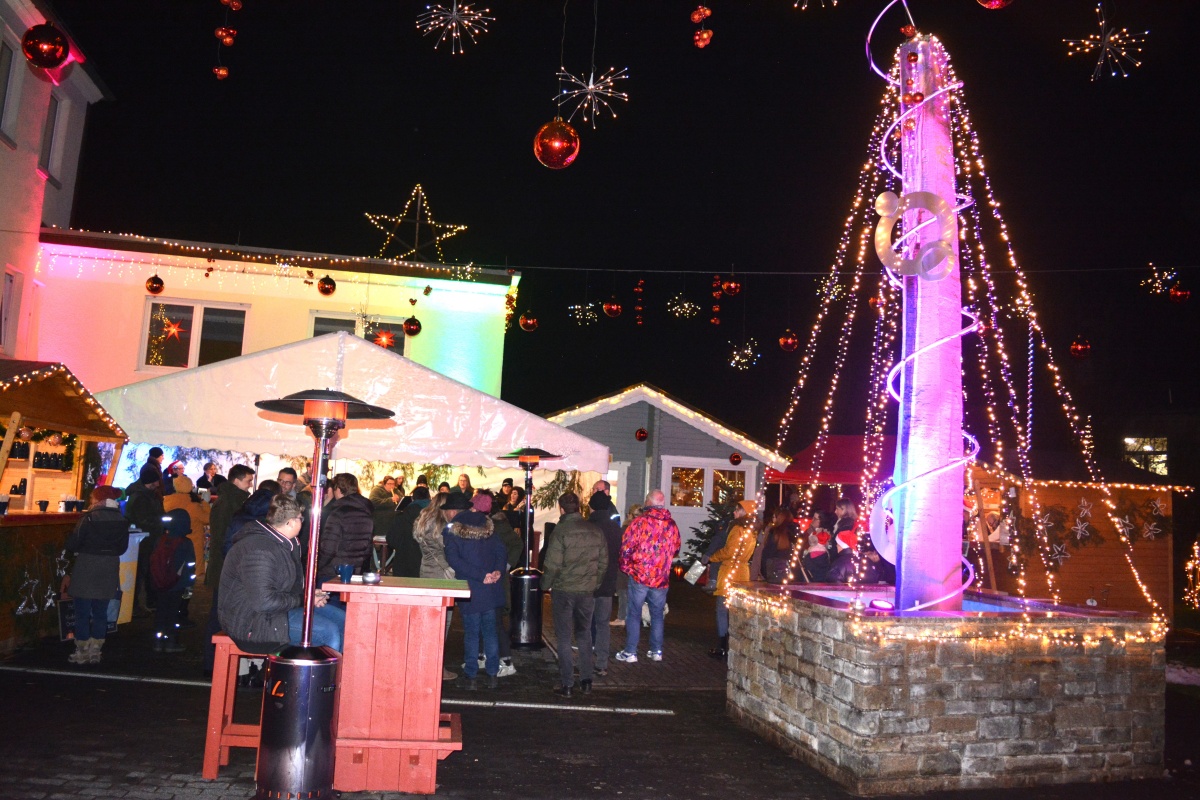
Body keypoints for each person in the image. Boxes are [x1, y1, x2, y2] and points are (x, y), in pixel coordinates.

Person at [219, 493, 346, 654]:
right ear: (290, 522)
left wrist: (309, 596)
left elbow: (286, 588)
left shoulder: (287, 543)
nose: (303, 523)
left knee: (342, 621)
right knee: (328, 632)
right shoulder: (259, 550)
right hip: (252, 621)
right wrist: (305, 599)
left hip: (277, 611)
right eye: (301, 518)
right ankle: (314, 678)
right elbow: (264, 602)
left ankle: (341, 676)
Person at [542, 492, 607, 697]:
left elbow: (552, 564)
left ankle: (567, 684)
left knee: (563, 637)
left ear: (561, 508)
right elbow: (603, 562)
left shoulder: (561, 531)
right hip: (586, 591)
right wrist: (594, 583)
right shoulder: (595, 531)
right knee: (584, 635)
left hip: (564, 590)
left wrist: (544, 584)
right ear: (579, 507)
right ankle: (586, 681)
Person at [442, 491, 507, 690]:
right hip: (490, 588)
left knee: (471, 632)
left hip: (471, 587)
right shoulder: (489, 526)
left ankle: (470, 674)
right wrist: (496, 572)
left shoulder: (453, 529)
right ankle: (493, 673)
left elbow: (454, 560)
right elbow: (501, 552)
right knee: (490, 631)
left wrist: (480, 575)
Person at [64, 486, 129, 665]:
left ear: (97, 499)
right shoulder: (122, 520)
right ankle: (96, 650)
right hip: (108, 568)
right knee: (101, 612)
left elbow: (73, 543)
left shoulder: (89, 517)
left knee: (82, 612)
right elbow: (123, 548)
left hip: (87, 566)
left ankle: (82, 650)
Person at [614, 490, 680, 664]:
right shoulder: (671, 525)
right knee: (657, 614)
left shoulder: (639, 523)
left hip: (640, 576)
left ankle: (630, 652)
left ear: (649, 502)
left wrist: (626, 567)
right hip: (661, 578)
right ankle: (656, 650)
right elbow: (677, 548)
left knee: (634, 613)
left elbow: (626, 548)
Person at [203, 463, 255, 673]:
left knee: (220, 614)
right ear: (236, 480)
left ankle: (215, 662)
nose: (250, 486)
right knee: (218, 616)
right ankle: (212, 662)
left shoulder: (231, 501)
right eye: (248, 481)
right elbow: (224, 539)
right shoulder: (230, 503)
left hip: (223, 567)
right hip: (225, 568)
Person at [704, 500, 757, 659]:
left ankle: (723, 647)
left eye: (737, 510)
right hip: (742, 572)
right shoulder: (752, 531)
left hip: (730, 571)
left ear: (743, 513)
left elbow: (729, 551)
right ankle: (736, 645)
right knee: (737, 610)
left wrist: (713, 557)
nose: (734, 513)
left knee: (722, 609)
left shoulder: (737, 529)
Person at [485, 491, 522, 678]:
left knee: (496, 621)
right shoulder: (490, 525)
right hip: (491, 579)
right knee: (489, 620)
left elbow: (517, 544)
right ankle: (487, 655)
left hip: (496, 581)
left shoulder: (498, 526)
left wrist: (506, 566)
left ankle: (506, 659)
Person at [151, 509, 196, 652]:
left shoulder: (160, 540)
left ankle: (158, 641)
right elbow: (189, 566)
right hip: (178, 585)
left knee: (161, 612)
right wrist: (189, 586)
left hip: (160, 584)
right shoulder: (186, 543)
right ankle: (171, 642)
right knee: (174, 614)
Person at [587, 490, 622, 675]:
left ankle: (585, 661)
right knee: (602, 624)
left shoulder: (587, 527)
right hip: (608, 582)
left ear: (591, 506)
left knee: (585, 623)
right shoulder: (615, 528)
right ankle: (602, 663)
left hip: (588, 582)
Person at [317, 473, 375, 584]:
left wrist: (316, 567)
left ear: (338, 489)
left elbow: (328, 549)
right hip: (355, 572)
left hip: (332, 573)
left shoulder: (338, 514)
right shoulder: (367, 514)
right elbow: (367, 549)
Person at [125, 466, 166, 614]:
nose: (158, 484)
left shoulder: (150, 495)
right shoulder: (141, 497)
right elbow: (141, 520)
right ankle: (134, 605)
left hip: (150, 538)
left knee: (147, 571)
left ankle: (144, 602)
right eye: (155, 481)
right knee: (140, 572)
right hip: (142, 540)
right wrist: (160, 523)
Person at [163, 474, 211, 582]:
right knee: (192, 577)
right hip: (193, 545)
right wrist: (205, 503)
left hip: (172, 543)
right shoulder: (194, 504)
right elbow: (207, 519)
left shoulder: (166, 501)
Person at [385, 485, 429, 578]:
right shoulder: (434, 517)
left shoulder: (401, 516)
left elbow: (391, 539)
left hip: (403, 564)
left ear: (412, 499)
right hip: (426, 566)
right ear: (429, 498)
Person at [610, 503, 642, 627]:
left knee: (622, 591)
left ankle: (622, 617)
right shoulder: (642, 530)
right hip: (636, 565)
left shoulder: (624, 530)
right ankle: (632, 616)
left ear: (629, 515)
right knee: (633, 592)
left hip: (624, 564)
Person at [760, 507, 799, 584]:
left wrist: (765, 571)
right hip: (792, 573)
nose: (773, 520)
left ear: (779, 518)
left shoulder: (775, 533)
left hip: (775, 573)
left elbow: (767, 554)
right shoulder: (795, 534)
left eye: (774, 517)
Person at [800, 510, 836, 582]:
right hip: (808, 565)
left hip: (820, 568)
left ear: (821, 520)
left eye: (815, 519)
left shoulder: (826, 534)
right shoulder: (808, 532)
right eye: (813, 517)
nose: (812, 520)